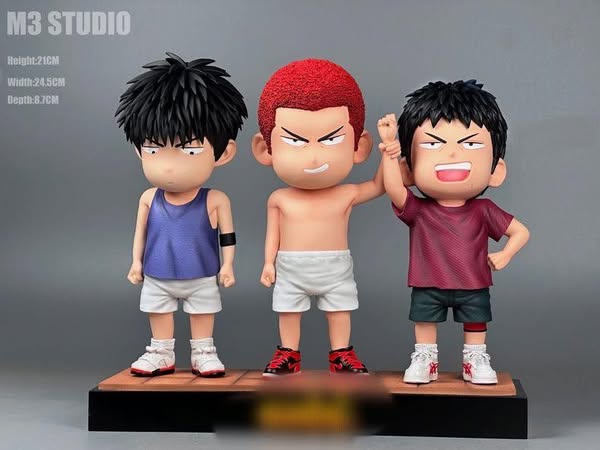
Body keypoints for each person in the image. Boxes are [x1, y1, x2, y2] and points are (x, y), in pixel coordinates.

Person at [378, 80, 530, 384]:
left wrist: (506, 254)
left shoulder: (484, 210)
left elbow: (521, 232)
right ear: (409, 170)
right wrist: (389, 152)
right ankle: (425, 357)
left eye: (470, 144)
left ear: (496, 171)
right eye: (433, 144)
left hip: (473, 282)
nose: (451, 154)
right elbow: (393, 189)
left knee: (476, 322)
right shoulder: (419, 210)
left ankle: (475, 359)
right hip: (428, 281)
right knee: (424, 321)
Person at [115, 53, 247, 377]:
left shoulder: (215, 199)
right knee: (158, 310)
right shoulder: (149, 198)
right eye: (154, 148)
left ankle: (203, 352)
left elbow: (227, 236)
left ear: (223, 153)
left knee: (202, 311)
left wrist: (228, 265)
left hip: (201, 273)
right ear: (139, 150)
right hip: (157, 272)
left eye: (189, 149)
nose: (169, 165)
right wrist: (135, 262)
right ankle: (160, 352)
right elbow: (140, 234)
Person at [252, 59, 384, 377]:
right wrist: (268, 263)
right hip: (289, 266)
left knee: (339, 309)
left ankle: (341, 354)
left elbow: (379, 186)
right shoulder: (279, 199)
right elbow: (273, 234)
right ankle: (288, 353)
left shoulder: (346, 194)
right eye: (294, 141)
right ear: (265, 149)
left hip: (335, 267)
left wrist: (389, 152)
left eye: (331, 139)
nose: (313, 157)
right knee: (288, 310)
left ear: (359, 147)